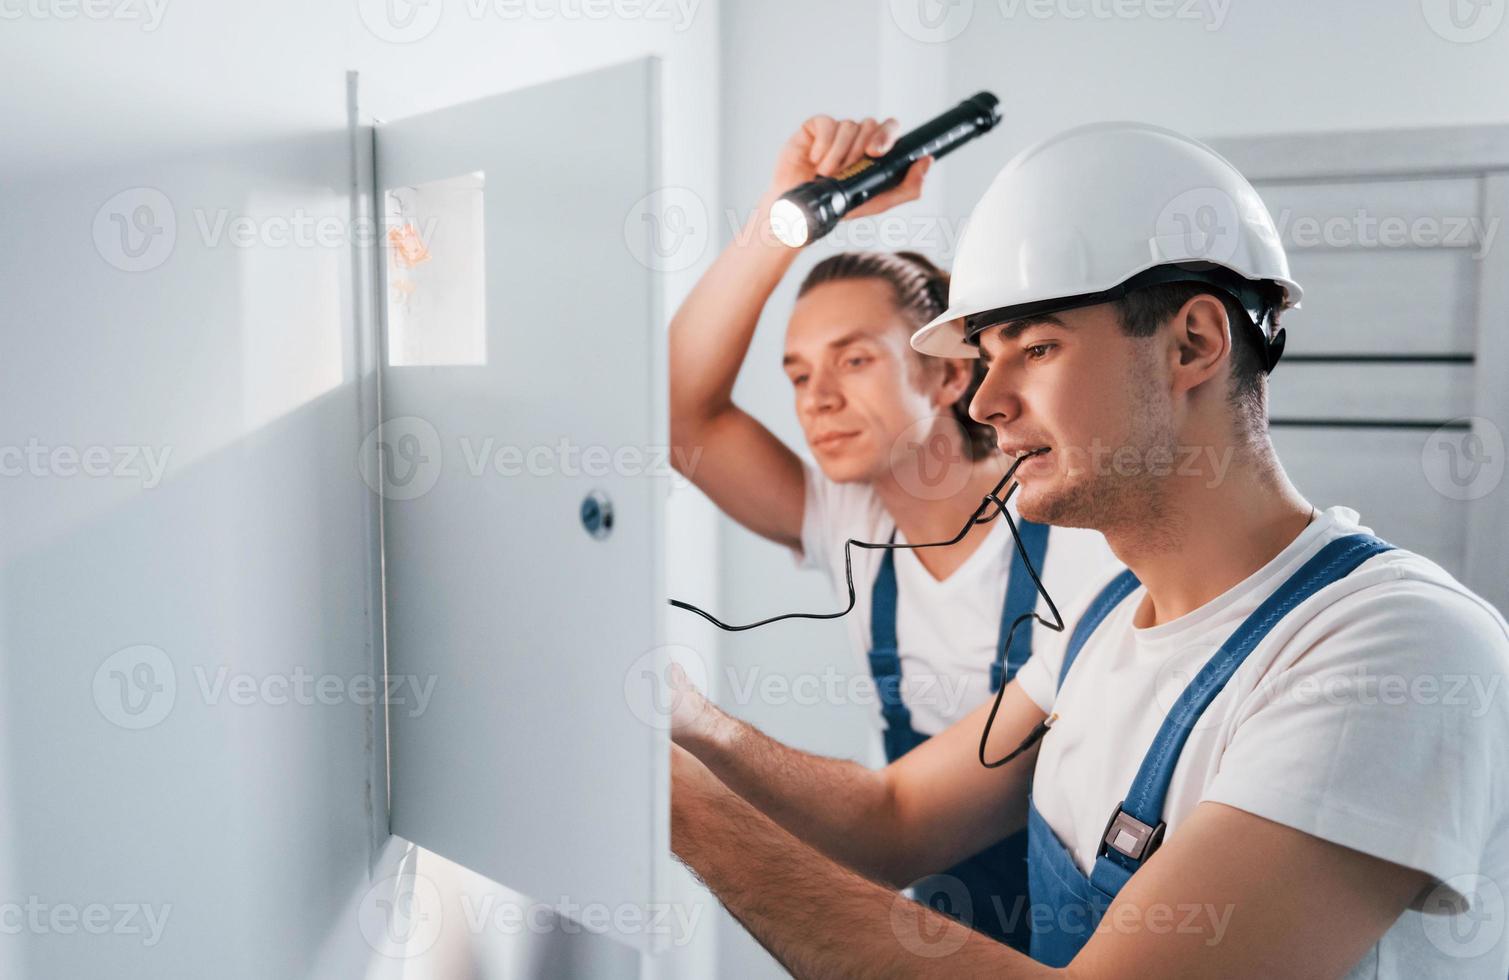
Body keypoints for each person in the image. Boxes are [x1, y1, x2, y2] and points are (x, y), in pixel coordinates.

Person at [666, 121, 1509, 978]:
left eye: (1034, 347)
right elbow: (895, 822)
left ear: (1193, 343)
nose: (987, 401)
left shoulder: (1394, 646)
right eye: (985, 356)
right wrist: (686, 725)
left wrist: (689, 811)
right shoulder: (1101, 628)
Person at [668, 114, 1118, 948]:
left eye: (854, 358)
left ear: (950, 372)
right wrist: (784, 210)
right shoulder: (849, 520)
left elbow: (897, 821)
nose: (817, 398)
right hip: (937, 922)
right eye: (798, 373)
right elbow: (680, 410)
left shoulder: (1083, 535)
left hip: (1084, 935)